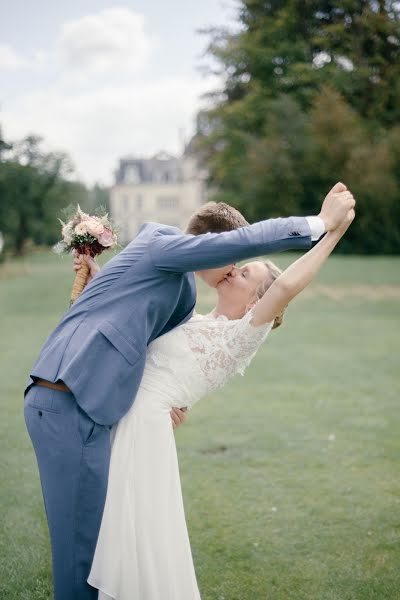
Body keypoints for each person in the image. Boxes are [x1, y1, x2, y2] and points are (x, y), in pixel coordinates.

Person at [23, 183, 355, 600]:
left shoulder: (243, 333)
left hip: (137, 432)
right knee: (103, 543)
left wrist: (331, 232)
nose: (233, 268)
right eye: (233, 261)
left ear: (258, 301)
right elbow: (137, 338)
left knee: (117, 545)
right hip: (114, 419)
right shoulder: (188, 314)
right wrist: (105, 281)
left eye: (244, 270)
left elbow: (287, 287)